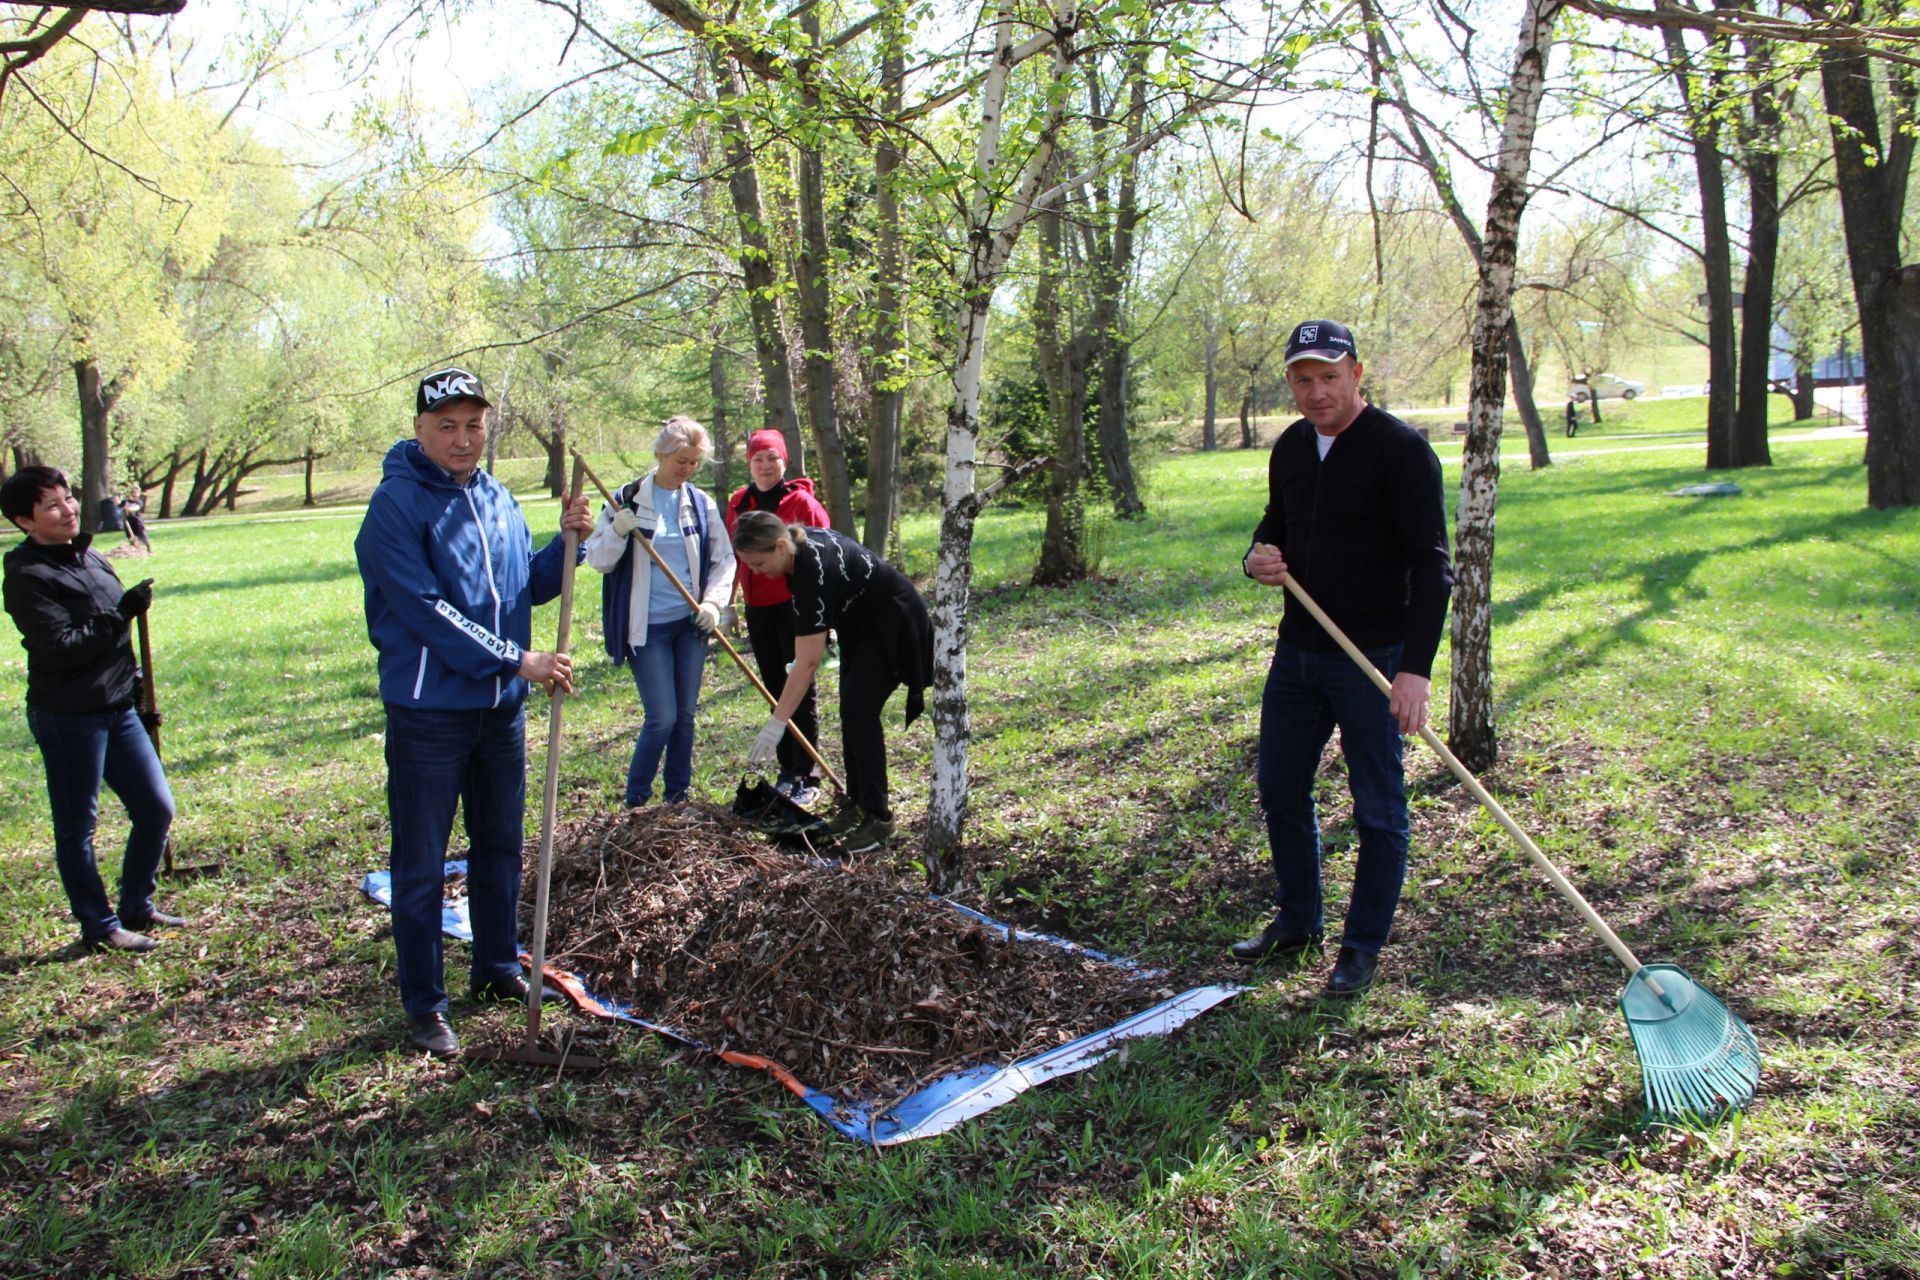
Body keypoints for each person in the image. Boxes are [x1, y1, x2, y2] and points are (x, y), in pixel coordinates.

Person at [354, 366, 592, 1057]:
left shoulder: (496, 497)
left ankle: (494, 967)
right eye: (446, 426)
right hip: (431, 712)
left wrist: (566, 543)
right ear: (420, 430)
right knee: (422, 862)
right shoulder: (395, 507)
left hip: (500, 711)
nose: (462, 439)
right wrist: (519, 660)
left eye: (474, 425)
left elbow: (527, 588)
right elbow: (426, 613)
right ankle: (425, 1006)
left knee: (499, 848)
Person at [1235, 320, 1453, 997]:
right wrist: (1258, 556)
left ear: (1357, 374)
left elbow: (1433, 566)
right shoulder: (1293, 447)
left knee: (1378, 808)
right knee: (1278, 787)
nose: (1316, 390)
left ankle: (1360, 947)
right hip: (1297, 655)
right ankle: (1299, 921)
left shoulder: (1401, 451)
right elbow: (1278, 522)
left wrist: (1414, 669)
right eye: (1303, 378)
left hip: (1373, 660)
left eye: (1329, 376)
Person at [3, 466, 182, 953]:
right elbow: (62, 647)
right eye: (52, 506)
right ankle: (98, 925)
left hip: (117, 707)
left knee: (155, 808)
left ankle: (136, 906)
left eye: (68, 498)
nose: (68, 510)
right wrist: (119, 613)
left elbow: (116, 640)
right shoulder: (25, 575)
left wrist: (138, 689)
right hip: (68, 716)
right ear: (25, 521)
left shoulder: (91, 557)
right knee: (78, 826)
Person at [730, 511, 931, 855]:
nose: (754, 571)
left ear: (780, 546)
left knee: (859, 711)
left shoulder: (810, 570)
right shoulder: (797, 545)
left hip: (892, 623)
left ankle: (879, 820)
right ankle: (858, 804)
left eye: (759, 562)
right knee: (851, 710)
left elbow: (807, 663)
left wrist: (778, 722)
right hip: (860, 625)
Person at [583, 416, 736, 808]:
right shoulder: (626, 498)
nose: (687, 469)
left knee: (685, 717)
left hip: (690, 625)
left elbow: (724, 560)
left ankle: (677, 799)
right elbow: (598, 560)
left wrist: (714, 604)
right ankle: (636, 800)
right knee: (662, 717)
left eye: (694, 463)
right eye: (680, 461)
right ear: (660, 454)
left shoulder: (700, 505)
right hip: (646, 629)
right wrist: (617, 531)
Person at [724, 428, 832, 804]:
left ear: (784, 461)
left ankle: (807, 772)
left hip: (795, 606)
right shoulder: (739, 502)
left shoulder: (800, 502)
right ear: (749, 464)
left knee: (799, 686)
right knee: (773, 687)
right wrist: (730, 602)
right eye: (758, 459)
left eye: (772, 458)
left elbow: (823, 555)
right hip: (758, 609)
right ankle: (787, 767)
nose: (766, 465)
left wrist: (824, 614)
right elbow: (733, 556)